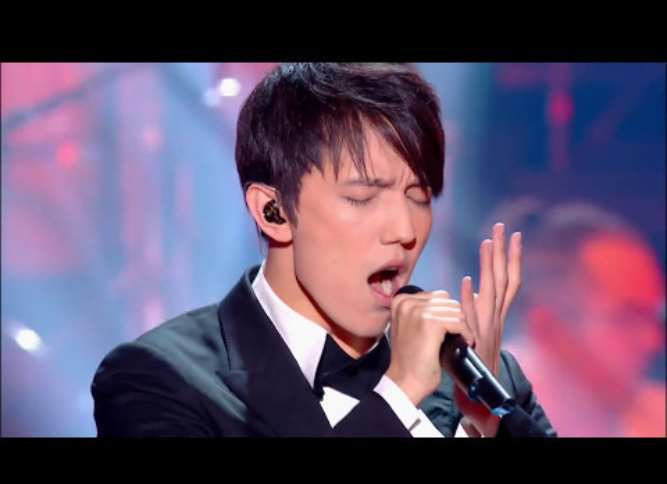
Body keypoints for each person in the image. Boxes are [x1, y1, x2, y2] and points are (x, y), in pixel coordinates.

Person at [91, 63, 556, 438]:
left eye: (418, 197)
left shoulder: (481, 378)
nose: (404, 230)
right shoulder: (160, 380)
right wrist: (398, 394)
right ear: (273, 211)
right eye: (363, 197)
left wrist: (482, 424)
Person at [494, 197, 666, 437]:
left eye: (653, 317)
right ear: (546, 327)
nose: (655, 341)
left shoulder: (655, 416)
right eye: (627, 318)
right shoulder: (471, 419)